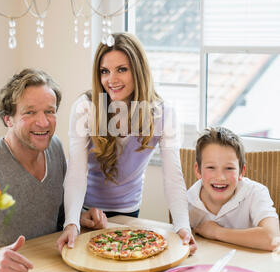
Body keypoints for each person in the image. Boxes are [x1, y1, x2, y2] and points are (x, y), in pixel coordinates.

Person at [57, 32, 197, 254]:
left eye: (122, 69)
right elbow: (75, 173)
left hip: (128, 211)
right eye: (105, 71)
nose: (111, 80)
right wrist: (71, 221)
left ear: (138, 71)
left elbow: (173, 178)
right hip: (84, 211)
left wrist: (182, 226)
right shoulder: (85, 107)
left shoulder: (163, 113)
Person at [0, 69, 104, 272]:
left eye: (49, 111)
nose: (44, 122)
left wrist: (78, 217)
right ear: (8, 119)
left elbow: (55, 211)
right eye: (29, 112)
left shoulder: (54, 148)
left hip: (50, 271)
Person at [188, 126, 280, 251]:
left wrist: (216, 232)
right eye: (211, 167)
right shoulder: (187, 201)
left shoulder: (256, 192)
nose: (220, 177)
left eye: (229, 168)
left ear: (242, 171)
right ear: (197, 171)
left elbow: (272, 238)